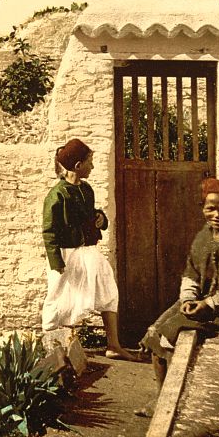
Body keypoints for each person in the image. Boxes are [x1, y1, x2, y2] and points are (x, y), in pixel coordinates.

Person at [136, 177, 219, 415]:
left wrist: (207, 304)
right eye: (210, 208)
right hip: (201, 305)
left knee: (172, 333)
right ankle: (161, 397)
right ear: (202, 208)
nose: (216, 214)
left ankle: (174, 399)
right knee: (154, 331)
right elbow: (192, 272)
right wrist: (189, 299)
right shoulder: (202, 238)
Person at [42, 138, 139, 361]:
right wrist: (56, 264)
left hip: (88, 251)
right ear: (78, 166)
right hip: (66, 254)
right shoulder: (57, 196)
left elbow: (91, 214)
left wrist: (100, 219)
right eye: (90, 162)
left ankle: (113, 345)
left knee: (107, 288)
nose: (92, 167)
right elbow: (49, 232)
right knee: (58, 298)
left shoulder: (86, 189)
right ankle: (52, 351)